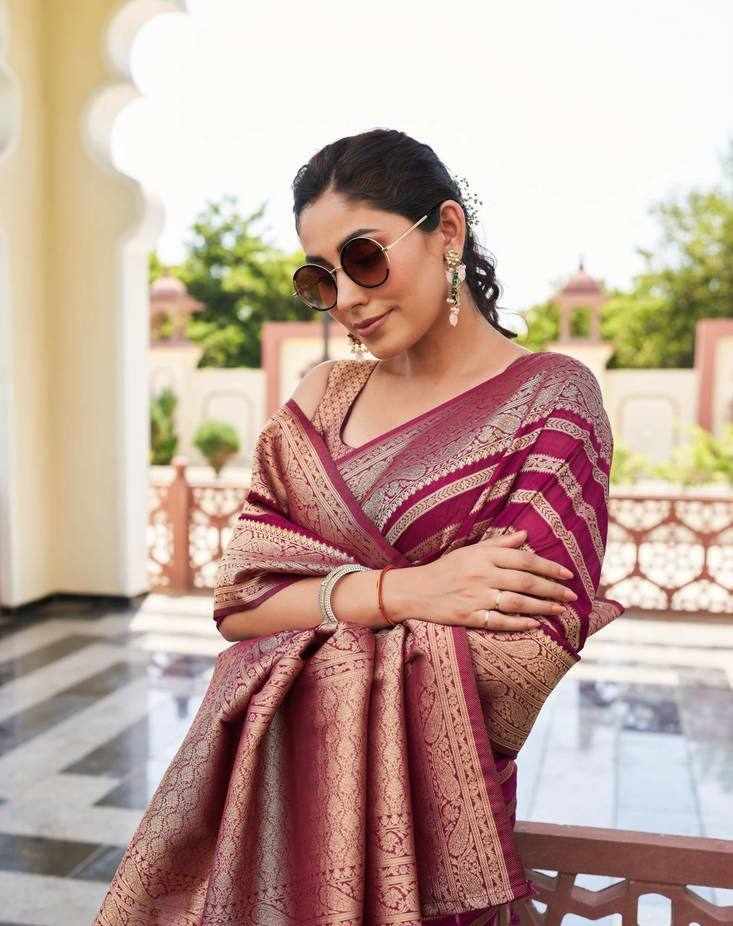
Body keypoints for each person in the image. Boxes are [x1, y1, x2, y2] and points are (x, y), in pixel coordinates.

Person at [94, 128, 624, 925]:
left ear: (447, 231)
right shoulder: (322, 398)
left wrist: (314, 603)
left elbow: (515, 666)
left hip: (436, 848)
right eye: (321, 277)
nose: (345, 297)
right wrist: (403, 592)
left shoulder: (550, 402)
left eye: (365, 258)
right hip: (274, 831)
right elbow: (240, 598)